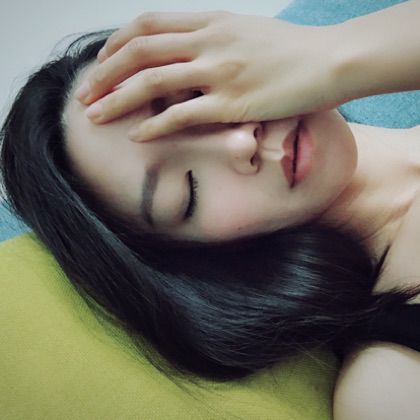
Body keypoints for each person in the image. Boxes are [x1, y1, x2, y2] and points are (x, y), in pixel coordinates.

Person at [1, 1, 420, 417]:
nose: (240, 145)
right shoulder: (389, 382)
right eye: (188, 190)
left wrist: (328, 53)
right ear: (196, 258)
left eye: (195, 99)